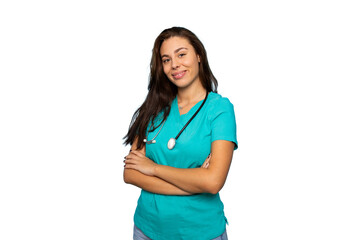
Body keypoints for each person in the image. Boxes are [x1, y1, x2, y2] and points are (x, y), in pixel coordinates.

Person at [123, 26, 237, 240]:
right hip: (147, 230)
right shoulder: (154, 106)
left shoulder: (219, 110)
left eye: (181, 54)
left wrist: (153, 168)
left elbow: (213, 182)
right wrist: (193, 185)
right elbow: (130, 173)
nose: (174, 64)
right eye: (166, 59)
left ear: (199, 56)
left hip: (200, 232)